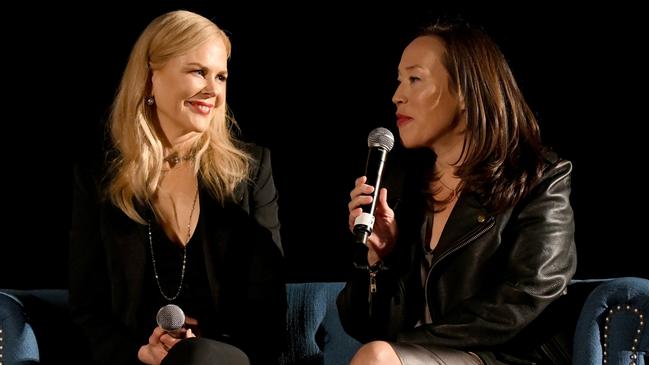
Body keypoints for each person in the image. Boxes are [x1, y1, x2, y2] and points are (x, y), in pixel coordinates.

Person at [338, 20, 577, 365]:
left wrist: (407, 342)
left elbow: (528, 295)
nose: (397, 95)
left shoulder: (538, 177)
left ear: (465, 91)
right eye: (398, 81)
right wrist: (378, 259)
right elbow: (362, 326)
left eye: (415, 79)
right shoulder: (405, 186)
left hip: (504, 357)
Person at [69, 10, 286, 365]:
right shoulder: (100, 178)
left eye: (221, 76)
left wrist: (195, 347)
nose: (213, 91)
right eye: (198, 71)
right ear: (150, 78)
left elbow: (268, 313)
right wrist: (142, 352)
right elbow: (87, 309)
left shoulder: (250, 170)